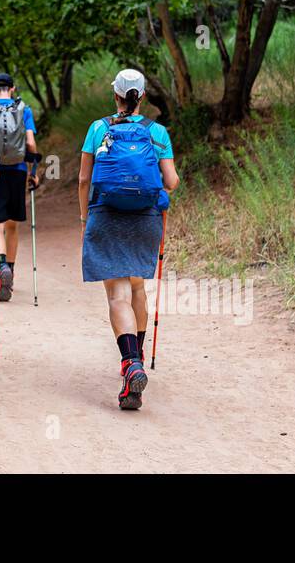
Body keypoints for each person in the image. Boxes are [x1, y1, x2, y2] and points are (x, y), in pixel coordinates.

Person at [77, 68, 179, 411]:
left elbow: (83, 178)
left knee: (117, 294)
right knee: (137, 288)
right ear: (142, 97)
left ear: (115, 95)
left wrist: (84, 216)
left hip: (107, 214)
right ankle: (133, 365)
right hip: (146, 218)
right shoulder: (157, 131)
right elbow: (172, 180)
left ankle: (130, 363)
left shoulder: (98, 128)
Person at [0, 72, 39, 302]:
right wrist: (33, 173)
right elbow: (30, 143)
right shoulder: (24, 109)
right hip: (17, 170)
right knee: (12, 226)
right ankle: (12, 271)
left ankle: (1, 265)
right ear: (13, 88)